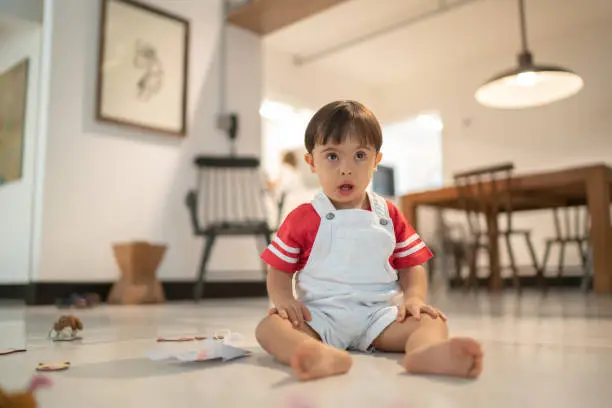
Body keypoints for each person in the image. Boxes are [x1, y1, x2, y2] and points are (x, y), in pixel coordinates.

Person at [255, 100, 483, 382]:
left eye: (360, 155)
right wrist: (284, 300)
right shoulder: (302, 217)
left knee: (431, 320)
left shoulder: (389, 215)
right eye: (332, 156)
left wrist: (413, 298)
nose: (346, 168)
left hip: (379, 318)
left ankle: (426, 352)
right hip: (318, 318)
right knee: (269, 328)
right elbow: (280, 269)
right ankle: (313, 352)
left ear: (376, 161)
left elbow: (411, 266)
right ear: (312, 162)